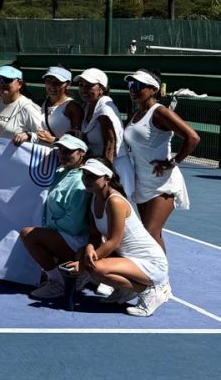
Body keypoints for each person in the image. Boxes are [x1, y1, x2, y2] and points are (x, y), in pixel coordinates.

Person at [74, 157, 170, 317]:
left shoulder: (115, 201)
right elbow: (94, 234)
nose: (87, 180)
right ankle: (124, 289)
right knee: (82, 252)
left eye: (93, 176)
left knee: (96, 269)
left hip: (151, 263)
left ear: (107, 178)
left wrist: (85, 264)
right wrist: (89, 249)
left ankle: (151, 291)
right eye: (85, 175)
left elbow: (113, 242)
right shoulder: (94, 198)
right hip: (127, 259)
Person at [123, 69, 198, 255]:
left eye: (138, 85)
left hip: (162, 183)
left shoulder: (160, 112)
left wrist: (172, 162)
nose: (133, 89)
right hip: (143, 183)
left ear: (153, 89)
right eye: (131, 85)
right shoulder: (136, 114)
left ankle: (159, 280)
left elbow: (193, 137)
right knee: (150, 234)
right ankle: (154, 276)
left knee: (150, 235)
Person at [19, 134, 92, 299]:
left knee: (28, 234)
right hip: (65, 234)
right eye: (61, 150)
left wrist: (46, 231)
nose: (63, 154)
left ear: (82, 153)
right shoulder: (61, 171)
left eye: (68, 151)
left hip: (76, 239)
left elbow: (73, 225)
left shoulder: (80, 183)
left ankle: (58, 282)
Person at [75, 68, 135, 200]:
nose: (84, 89)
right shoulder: (88, 106)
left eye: (89, 86)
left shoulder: (105, 110)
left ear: (101, 89)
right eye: (81, 85)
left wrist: (105, 174)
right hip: (99, 166)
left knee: (112, 211)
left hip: (113, 167)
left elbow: (110, 144)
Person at [0, 66, 44, 143]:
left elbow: (43, 136)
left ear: (19, 84)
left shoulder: (28, 107)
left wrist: (28, 135)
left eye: (7, 80)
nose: (1, 84)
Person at [35, 66, 84, 143]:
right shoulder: (40, 103)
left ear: (68, 85)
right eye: (48, 81)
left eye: (58, 82)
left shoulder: (73, 108)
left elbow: (77, 141)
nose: (52, 86)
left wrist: (53, 140)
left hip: (61, 154)